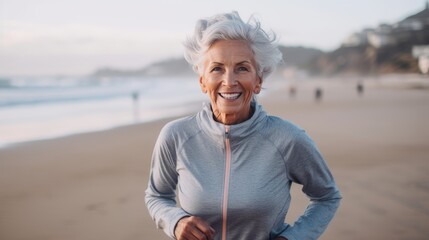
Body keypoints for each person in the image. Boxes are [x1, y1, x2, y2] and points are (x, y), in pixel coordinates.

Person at [145, 12, 341, 240]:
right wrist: (175, 221)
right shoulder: (176, 136)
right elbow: (156, 195)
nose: (229, 81)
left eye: (242, 68)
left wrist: (293, 237)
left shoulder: (287, 138)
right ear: (202, 81)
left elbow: (327, 197)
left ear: (258, 81)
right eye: (217, 68)